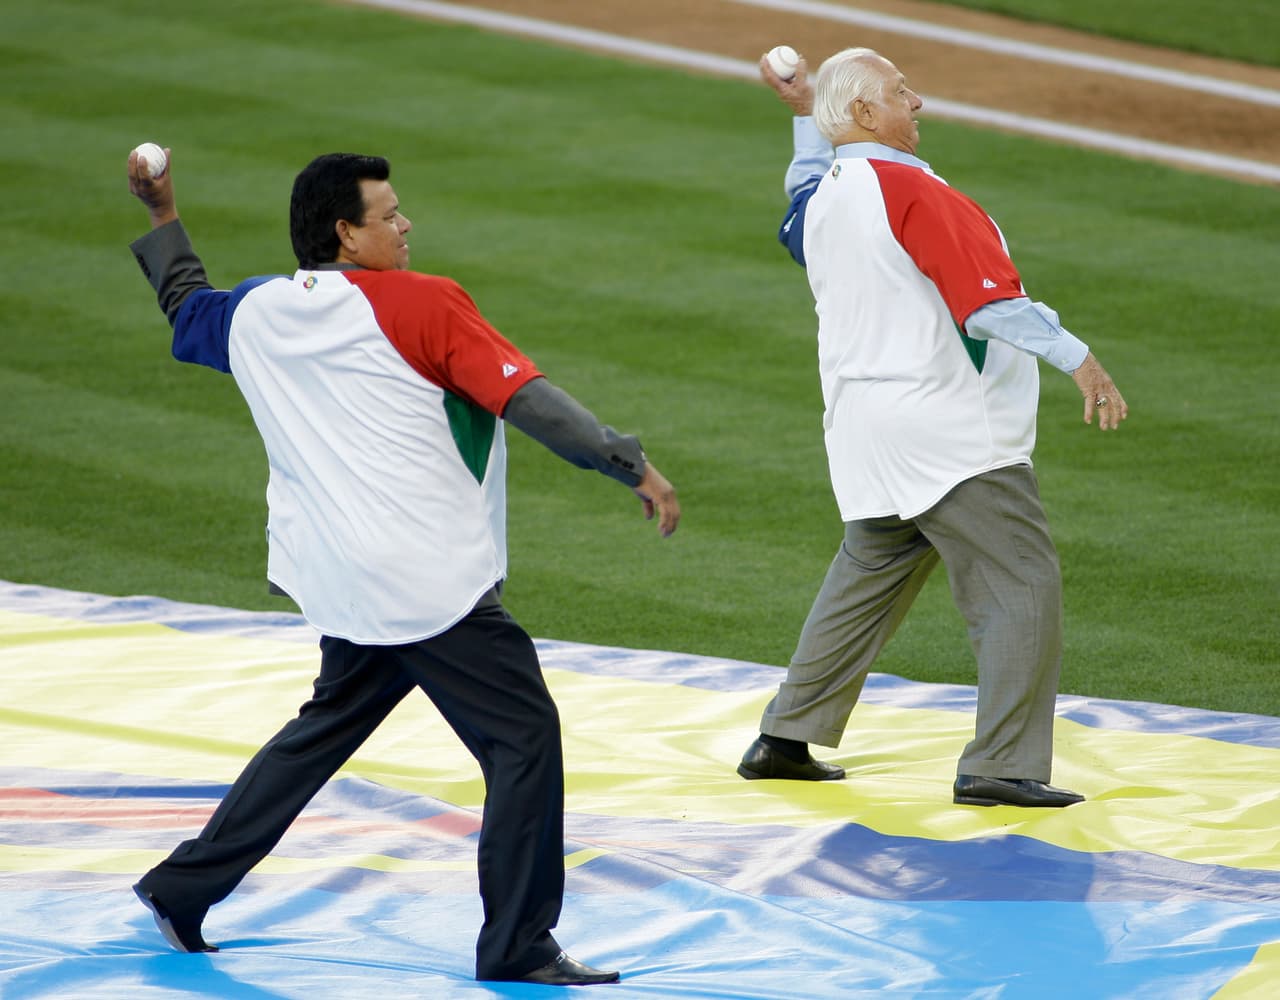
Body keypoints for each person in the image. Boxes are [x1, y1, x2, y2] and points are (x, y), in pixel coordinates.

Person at [125, 147, 680, 984]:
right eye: (388, 215)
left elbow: (184, 307)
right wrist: (623, 461)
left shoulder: (260, 311)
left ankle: (182, 888)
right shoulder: (424, 304)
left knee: (325, 728)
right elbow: (524, 397)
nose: (405, 223)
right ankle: (519, 944)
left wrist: (164, 215)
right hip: (426, 583)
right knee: (524, 736)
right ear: (346, 234)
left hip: (338, 575)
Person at [736, 48, 1128, 808]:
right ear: (862, 114)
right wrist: (1082, 361)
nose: (917, 102)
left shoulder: (825, 195)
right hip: (950, 432)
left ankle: (785, 736)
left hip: (863, 428)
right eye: (899, 91)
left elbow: (802, 187)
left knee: (870, 571)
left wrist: (803, 118)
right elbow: (987, 306)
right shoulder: (914, 192)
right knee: (1020, 581)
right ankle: (1002, 765)